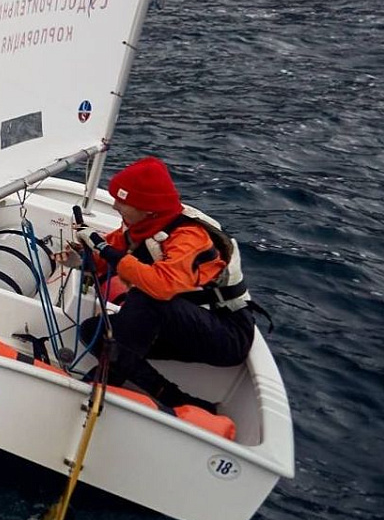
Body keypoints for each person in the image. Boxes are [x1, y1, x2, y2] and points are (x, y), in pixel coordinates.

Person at [58, 157, 256, 412]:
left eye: (122, 202)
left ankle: (116, 380)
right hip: (182, 324)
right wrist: (82, 260)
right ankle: (168, 395)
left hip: (226, 334)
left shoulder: (189, 236)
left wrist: (104, 248)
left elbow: (161, 286)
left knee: (146, 297)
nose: (115, 205)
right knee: (93, 332)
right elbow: (108, 257)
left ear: (148, 208)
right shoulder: (142, 226)